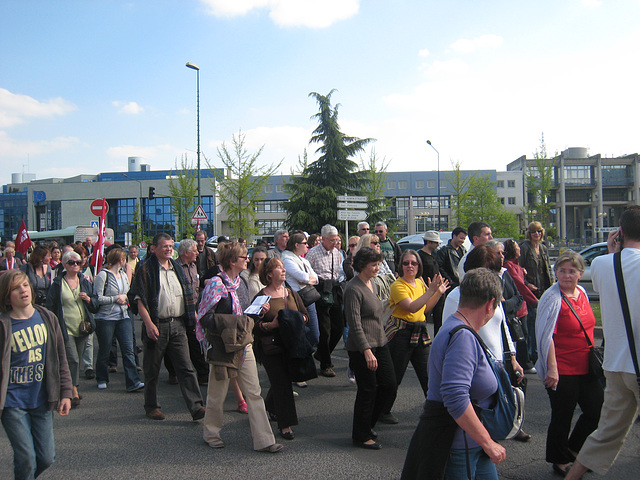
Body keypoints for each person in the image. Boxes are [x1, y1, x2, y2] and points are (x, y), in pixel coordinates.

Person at [401, 268, 507, 479]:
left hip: (471, 442)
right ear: (489, 304)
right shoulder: (462, 337)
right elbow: (455, 396)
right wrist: (488, 442)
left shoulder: (455, 326)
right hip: (461, 445)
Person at [566, 207, 640, 479]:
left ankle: (572, 476)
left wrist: (612, 251)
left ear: (619, 233)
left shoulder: (602, 264)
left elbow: (614, 275)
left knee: (607, 430)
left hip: (615, 364)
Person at [196, 242, 283, 453]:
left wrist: (258, 311)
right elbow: (204, 318)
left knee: (254, 392)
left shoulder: (241, 282)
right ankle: (211, 434)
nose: (248, 259)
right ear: (232, 261)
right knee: (217, 394)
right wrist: (233, 321)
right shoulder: (216, 284)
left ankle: (264, 440)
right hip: (222, 346)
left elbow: (245, 314)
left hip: (243, 343)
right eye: (244, 257)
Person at [535, 250, 603, 477]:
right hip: (562, 367)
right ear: (555, 272)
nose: (566, 275)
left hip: (587, 365)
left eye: (571, 271)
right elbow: (546, 337)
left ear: (580, 273)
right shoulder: (552, 298)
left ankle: (573, 450)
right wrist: (552, 368)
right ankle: (559, 459)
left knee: (596, 411)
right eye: (561, 271)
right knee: (562, 416)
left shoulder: (582, 292)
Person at [0, 270, 73, 480]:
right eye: (15, 288)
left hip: (41, 400)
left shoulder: (47, 318)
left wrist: (66, 393)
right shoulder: (4, 324)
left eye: (24, 285)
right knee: (26, 458)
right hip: (13, 403)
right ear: (7, 295)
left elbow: (61, 357)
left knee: (46, 458)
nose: (23, 290)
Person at [128, 233, 205, 421]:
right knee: (152, 369)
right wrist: (148, 324)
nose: (169, 249)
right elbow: (138, 298)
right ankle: (152, 406)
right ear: (154, 248)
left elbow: (188, 296)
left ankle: (196, 407)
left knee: (186, 367)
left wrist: (194, 317)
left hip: (178, 324)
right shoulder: (146, 269)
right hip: (157, 325)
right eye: (165, 246)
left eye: (171, 246)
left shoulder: (177, 268)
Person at [381, 249, 448, 425]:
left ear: (418, 266)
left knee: (429, 373)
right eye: (406, 263)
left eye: (414, 263)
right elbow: (411, 307)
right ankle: (383, 410)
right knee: (395, 375)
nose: (410, 266)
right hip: (401, 334)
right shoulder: (398, 285)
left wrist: (438, 293)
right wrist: (430, 291)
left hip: (420, 332)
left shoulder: (419, 283)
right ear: (401, 266)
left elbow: (424, 309)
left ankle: (436, 409)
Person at [344, 247, 397, 449]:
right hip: (361, 347)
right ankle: (361, 434)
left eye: (378, 264)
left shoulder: (372, 283)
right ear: (362, 265)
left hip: (380, 342)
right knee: (367, 390)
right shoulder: (353, 289)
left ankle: (369, 424)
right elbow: (355, 324)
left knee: (388, 384)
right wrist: (366, 351)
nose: (377, 268)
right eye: (373, 264)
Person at [254, 257, 311, 441]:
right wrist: (270, 324)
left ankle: (270, 406)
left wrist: (298, 320)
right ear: (269, 274)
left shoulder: (291, 293)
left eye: (283, 267)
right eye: (279, 268)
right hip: (271, 347)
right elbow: (253, 325)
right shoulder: (262, 297)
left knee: (282, 380)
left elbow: (305, 315)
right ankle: (285, 425)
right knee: (282, 384)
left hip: (291, 344)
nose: (283, 270)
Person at [45, 251, 98, 408]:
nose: (75, 265)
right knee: (72, 359)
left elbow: (95, 303)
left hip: (83, 327)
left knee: (78, 358)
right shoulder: (57, 284)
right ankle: (72, 390)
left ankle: (70, 385)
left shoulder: (85, 281)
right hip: (65, 327)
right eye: (72, 263)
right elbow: (50, 306)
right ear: (65, 265)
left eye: (78, 262)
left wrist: (88, 299)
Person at [93, 248, 144, 392]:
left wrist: (126, 298)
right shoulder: (103, 275)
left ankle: (133, 381)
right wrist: (116, 298)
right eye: (124, 259)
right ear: (121, 260)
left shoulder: (123, 274)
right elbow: (97, 298)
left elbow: (128, 293)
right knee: (105, 349)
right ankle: (102, 377)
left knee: (128, 350)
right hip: (106, 318)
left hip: (123, 316)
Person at [306, 224, 344, 378]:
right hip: (320, 291)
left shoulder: (337, 253)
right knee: (325, 330)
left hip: (334, 290)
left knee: (339, 327)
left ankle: (321, 353)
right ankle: (325, 365)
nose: (335, 243)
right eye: (332, 240)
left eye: (337, 240)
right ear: (323, 239)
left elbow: (339, 272)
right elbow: (307, 273)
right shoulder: (313, 254)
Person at [519, 221, 554, 363]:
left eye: (539, 231)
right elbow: (519, 270)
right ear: (529, 233)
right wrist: (527, 284)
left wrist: (552, 284)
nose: (537, 234)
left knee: (543, 324)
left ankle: (541, 352)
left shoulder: (543, 248)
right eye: (534, 232)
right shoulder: (525, 248)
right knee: (532, 324)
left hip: (543, 290)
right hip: (530, 293)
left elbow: (548, 269)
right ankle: (532, 355)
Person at [503, 239, 538, 373]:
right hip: (519, 306)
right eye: (517, 246)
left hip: (522, 306)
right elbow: (519, 285)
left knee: (525, 334)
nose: (519, 248)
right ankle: (524, 363)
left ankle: (526, 360)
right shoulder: (509, 266)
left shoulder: (516, 265)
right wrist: (534, 301)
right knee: (520, 336)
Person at [281, 232, 320, 347]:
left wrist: (308, 280)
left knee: (314, 335)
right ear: (296, 245)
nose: (307, 245)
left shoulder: (304, 260)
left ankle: (305, 354)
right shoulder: (287, 260)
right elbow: (302, 276)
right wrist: (307, 279)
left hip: (308, 299)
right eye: (305, 243)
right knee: (300, 333)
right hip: (296, 300)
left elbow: (316, 278)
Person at [418, 231, 446, 336]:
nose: (438, 245)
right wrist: (427, 288)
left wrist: (441, 282)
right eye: (436, 243)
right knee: (424, 317)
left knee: (439, 319)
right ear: (429, 242)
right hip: (427, 293)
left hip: (438, 291)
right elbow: (418, 274)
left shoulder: (432, 256)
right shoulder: (419, 255)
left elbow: (436, 270)